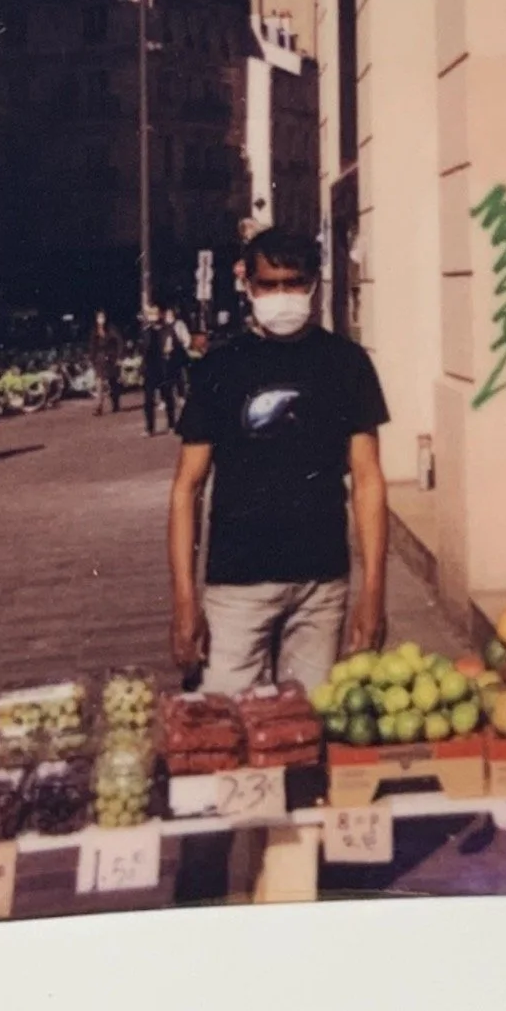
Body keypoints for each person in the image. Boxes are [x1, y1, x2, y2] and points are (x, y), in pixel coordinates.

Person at [167, 225, 390, 697]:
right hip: (237, 585)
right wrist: (185, 600)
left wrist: (373, 592)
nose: (282, 296)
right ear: (248, 285)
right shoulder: (219, 368)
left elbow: (368, 480)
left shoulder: (347, 363)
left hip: (321, 583)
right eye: (269, 285)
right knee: (226, 721)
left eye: (294, 283)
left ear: (313, 283)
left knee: (308, 723)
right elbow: (187, 487)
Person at [140, 308, 178, 437]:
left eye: (155, 314)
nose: (153, 317)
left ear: (160, 315)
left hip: (164, 368)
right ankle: (149, 428)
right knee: (148, 400)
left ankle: (172, 424)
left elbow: (175, 346)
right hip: (150, 369)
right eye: (150, 314)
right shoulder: (146, 332)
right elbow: (143, 350)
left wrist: (171, 352)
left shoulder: (168, 330)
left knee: (168, 397)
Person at [90, 310, 123, 417]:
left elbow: (119, 342)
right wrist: (92, 358)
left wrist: (119, 357)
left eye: (102, 317)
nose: (101, 320)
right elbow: (92, 345)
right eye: (99, 317)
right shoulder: (95, 330)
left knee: (113, 382)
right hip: (99, 359)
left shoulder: (111, 329)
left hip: (111, 358)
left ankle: (116, 404)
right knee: (99, 381)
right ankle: (99, 406)